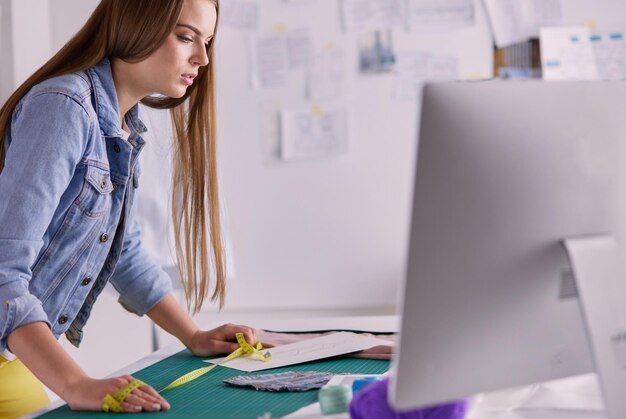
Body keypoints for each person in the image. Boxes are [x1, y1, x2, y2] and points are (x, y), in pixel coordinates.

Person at [0, 0, 256, 416]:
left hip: (13, 358)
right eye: (186, 37)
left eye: (206, 42)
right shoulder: (65, 106)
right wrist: (77, 384)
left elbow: (125, 250)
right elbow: (3, 271)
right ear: (136, 24)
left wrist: (193, 336)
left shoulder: (121, 123)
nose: (203, 58)